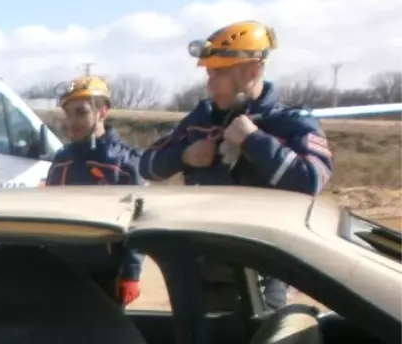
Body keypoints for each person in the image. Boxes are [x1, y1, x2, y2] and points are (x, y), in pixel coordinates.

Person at [138, 21, 334, 309]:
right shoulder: (200, 118)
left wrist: (254, 141)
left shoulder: (291, 123)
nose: (210, 83)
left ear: (253, 71)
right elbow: (146, 166)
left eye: (219, 73)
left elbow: (311, 180)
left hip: (266, 275)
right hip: (200, 270)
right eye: (209, 73)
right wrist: (184, 155)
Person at [44, 76, 145, 308]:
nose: (72, 121)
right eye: (68, 113)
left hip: (106, 274)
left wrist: (132, 273)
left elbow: (139, 223)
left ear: (103, 112)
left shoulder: (127, 163)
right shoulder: (60, 161)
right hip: (62, 272)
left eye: (81, 112)